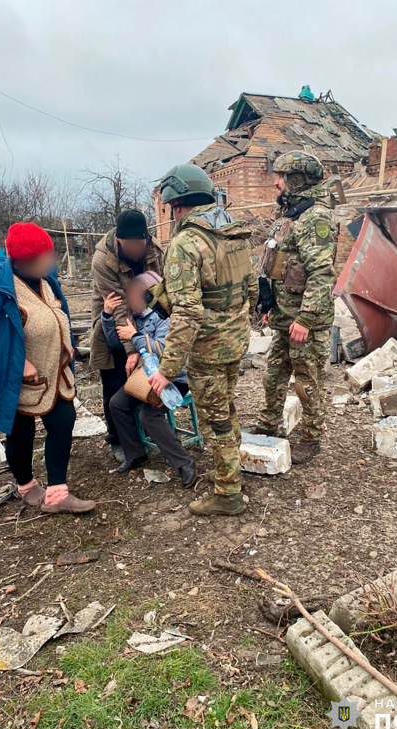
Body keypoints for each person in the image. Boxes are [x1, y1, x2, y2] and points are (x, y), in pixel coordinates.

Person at [0, 222, 94, 513]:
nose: (51, 261)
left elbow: (55, 314)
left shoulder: (46, 280)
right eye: (45, 256)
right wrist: (18, 362)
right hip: (20, 382)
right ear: (24, 260)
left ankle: (57, 494)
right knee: (21, 433)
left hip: (55, 374)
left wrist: (66, 343)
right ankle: (26, 486)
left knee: (64, 423)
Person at [148, 164, 257, 516]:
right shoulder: (234, 231)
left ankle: (228, 493)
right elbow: (251, 290)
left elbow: (187, 314)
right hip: (235, 340)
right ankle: (232, 471)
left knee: (215, 420)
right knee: (226, 406)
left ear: (177, 204)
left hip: (208, 348)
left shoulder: (185, 243)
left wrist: (166, 369)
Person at [255, 151, 337, 464]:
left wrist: (305, 318)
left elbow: (321, 273)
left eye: (282, 177)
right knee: (273, 375)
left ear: (297, 180)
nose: (276, 183)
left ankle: (311, 438)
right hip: (282, 317)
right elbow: (281, 264)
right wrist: (269, 305)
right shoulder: (292, 214)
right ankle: (268, 425)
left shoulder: (315, 216)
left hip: (305, 322)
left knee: (307, 383)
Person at [101, 271, 197, 487]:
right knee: (116, 403)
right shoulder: (131, 316)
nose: (131, 300)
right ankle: (135, 453)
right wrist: (107, 317)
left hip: (174, 378)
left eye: (135, 295)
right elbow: (115, 342)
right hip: (144, 377)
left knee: (149, 415)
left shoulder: (166, 316)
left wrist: (135, 337)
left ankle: (184, 462)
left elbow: (164, 351)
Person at [90, 209, 163, 449]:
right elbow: (118, 304)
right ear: (119, 240)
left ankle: (146, 431)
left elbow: (161, 288)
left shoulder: (153, 250)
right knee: (114, 382)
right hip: (113, 319)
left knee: (145, 377)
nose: (135, 249)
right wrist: (132, 348)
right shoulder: (103, 260)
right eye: (129, 245)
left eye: (139, 244)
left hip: (146, 318)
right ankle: (118, 439)